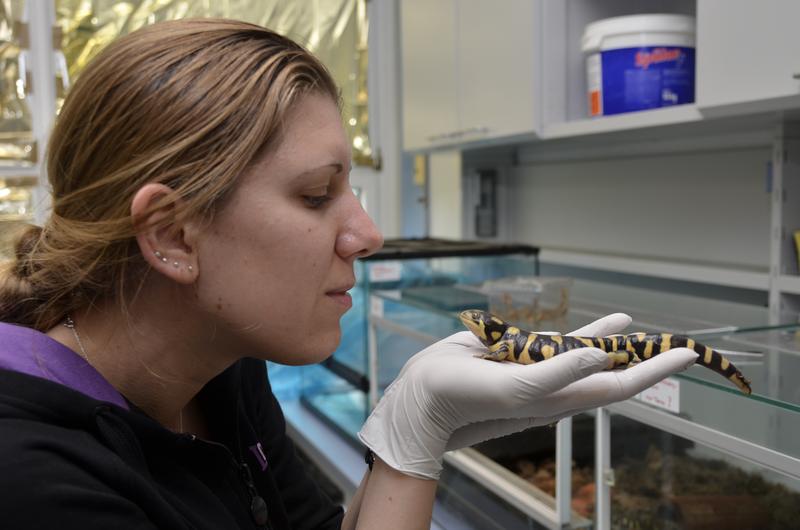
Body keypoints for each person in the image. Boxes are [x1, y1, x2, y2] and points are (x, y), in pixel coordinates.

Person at [0, 18, 698, 530]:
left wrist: (410, 437)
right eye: (315, 195)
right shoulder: (34, 480)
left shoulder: (220, 371)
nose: (368, 235)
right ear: (173, 236)